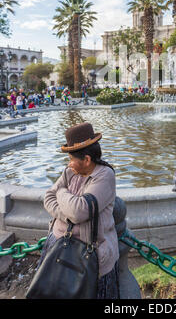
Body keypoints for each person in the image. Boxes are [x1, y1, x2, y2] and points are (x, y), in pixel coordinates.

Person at [41, 122, 120, 299]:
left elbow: (78, 211)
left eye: (71, 159)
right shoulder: (70, 171)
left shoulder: (104, 176)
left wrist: (61, 191)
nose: (69, 164)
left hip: (88, 255)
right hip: (60, 246)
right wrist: (68, 216)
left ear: (86, 160)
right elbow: (48, 198)